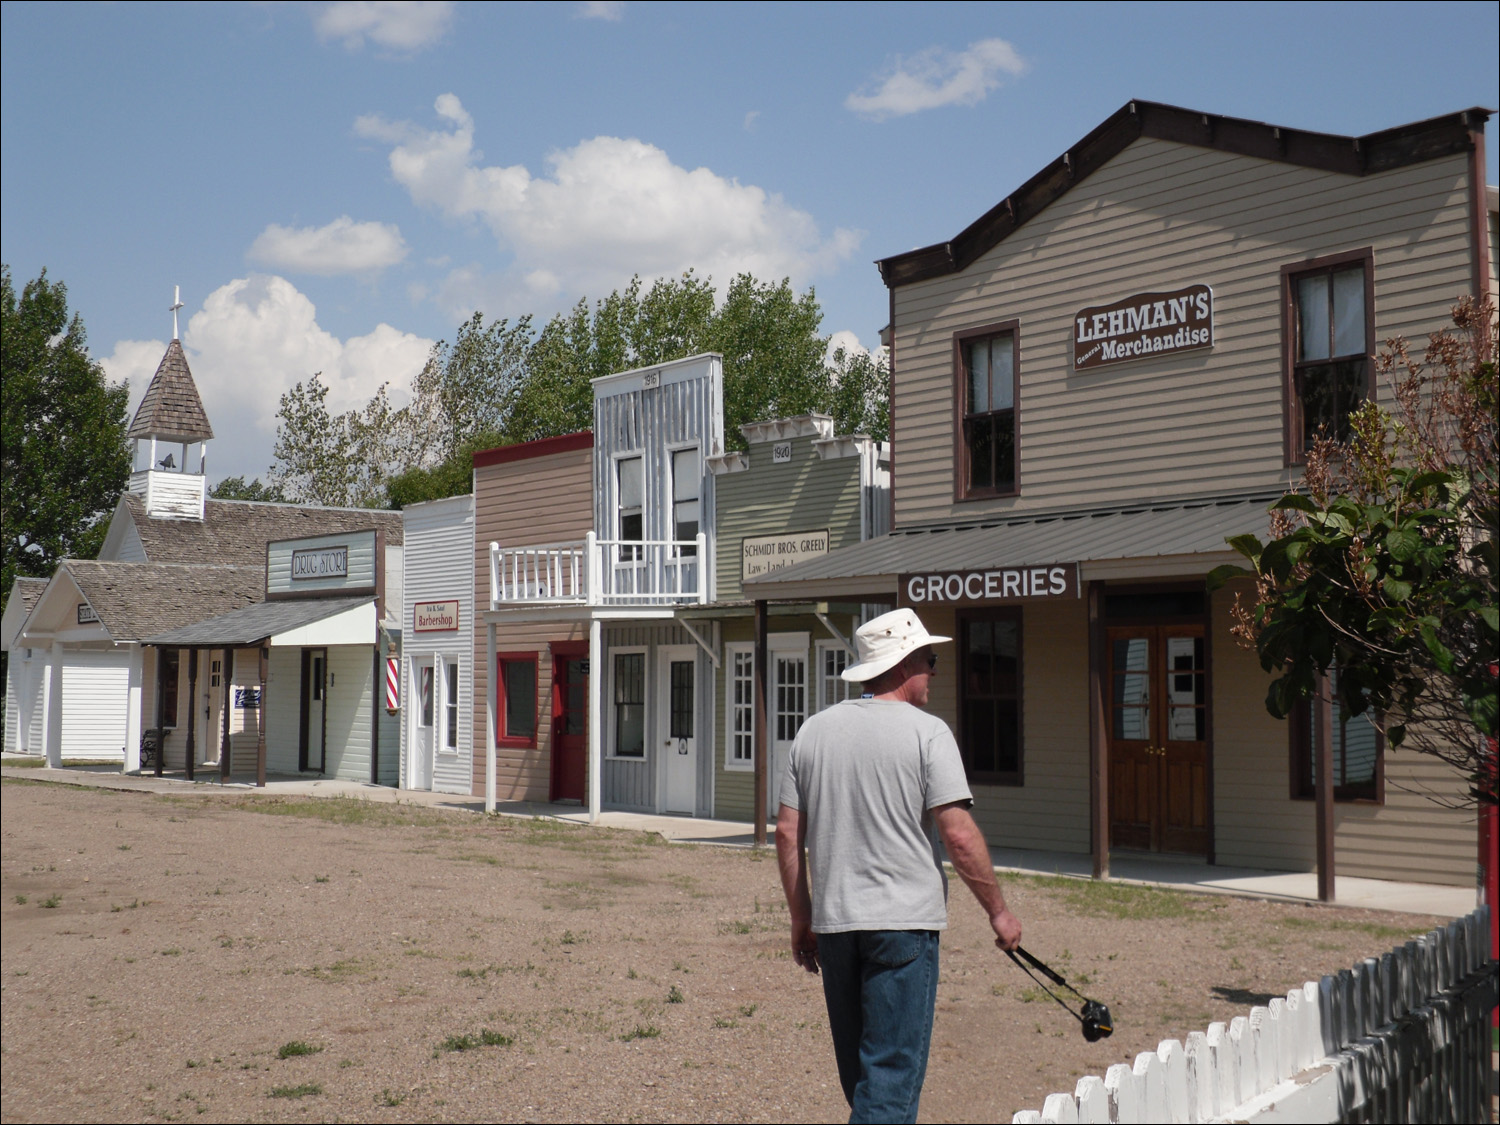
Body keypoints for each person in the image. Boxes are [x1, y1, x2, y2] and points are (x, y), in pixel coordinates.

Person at [775, 607, 1023, 1124]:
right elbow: (957, 833)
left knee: (863, 1081)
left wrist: (802, 917)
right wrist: (998, 912)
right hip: (903, 927)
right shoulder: (929, 734)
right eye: (930, 660)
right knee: (888, 1082)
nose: (934, 671)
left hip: (837, 926)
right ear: (903, 663)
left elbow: (787, 832)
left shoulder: (813, 733)